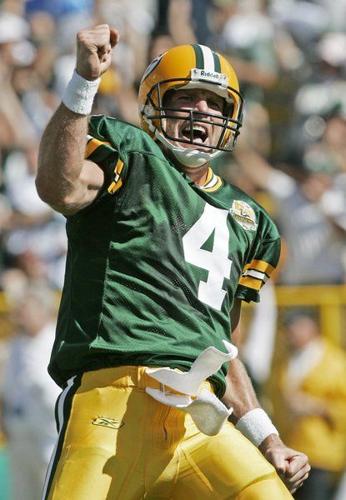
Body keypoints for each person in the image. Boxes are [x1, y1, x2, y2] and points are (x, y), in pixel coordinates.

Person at [36, 24, 310, 499]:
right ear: (155, 104)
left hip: (201, 417)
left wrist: (268, 437)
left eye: (216, 104)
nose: (202, 111)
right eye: (187, 98)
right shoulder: (132, 153)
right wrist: (83, 83)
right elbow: (59, 186)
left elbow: (220, 344)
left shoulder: (253, 221)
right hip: (112, 399)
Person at [271, 309, 346, 500]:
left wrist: (317, 407)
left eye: (297, 326)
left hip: (322, 453)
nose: (292, 333)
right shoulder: (285, 361)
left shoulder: (336, 362)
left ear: (311, 327)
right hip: (292, 449)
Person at [0, 284, 60, 500]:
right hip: (20, 436)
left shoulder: (57, 340)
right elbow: (8, 388)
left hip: (48, 436)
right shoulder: (15, 344)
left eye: (27, 307)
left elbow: (55, 394)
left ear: (43, 309)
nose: (21, 313)